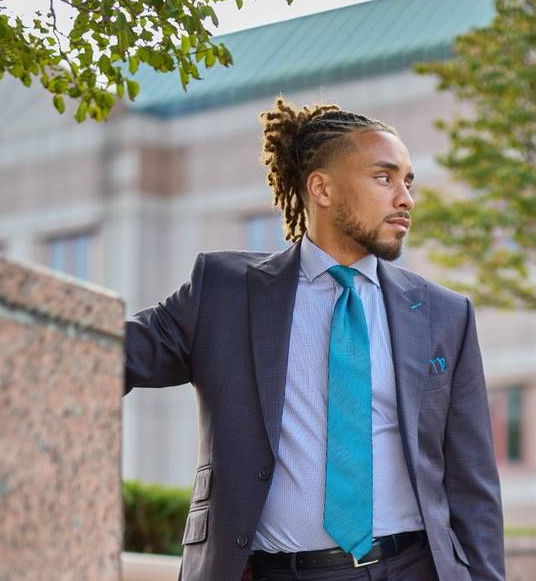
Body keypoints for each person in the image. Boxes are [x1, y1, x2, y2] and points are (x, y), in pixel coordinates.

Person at [124, 98, 505, 581]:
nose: (405, 198)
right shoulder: (224, 293)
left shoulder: (444, 315)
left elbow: (473, 485)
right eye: (384, 177)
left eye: (408, 181)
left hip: (410, 568)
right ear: (321, 188)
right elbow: (107, 356)